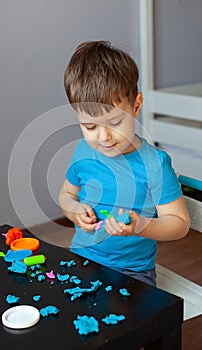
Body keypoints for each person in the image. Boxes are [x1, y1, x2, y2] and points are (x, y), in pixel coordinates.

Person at [58, 40, 190, 286]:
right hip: (82, 259)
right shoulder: (83, 151)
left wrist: (142, 226)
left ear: (136, 106)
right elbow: (66, 195)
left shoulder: (154, 164)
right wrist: (73, 210)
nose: (103, 137)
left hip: (132, 273)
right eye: (89, 126)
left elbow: (179, 224)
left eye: (115, 123)